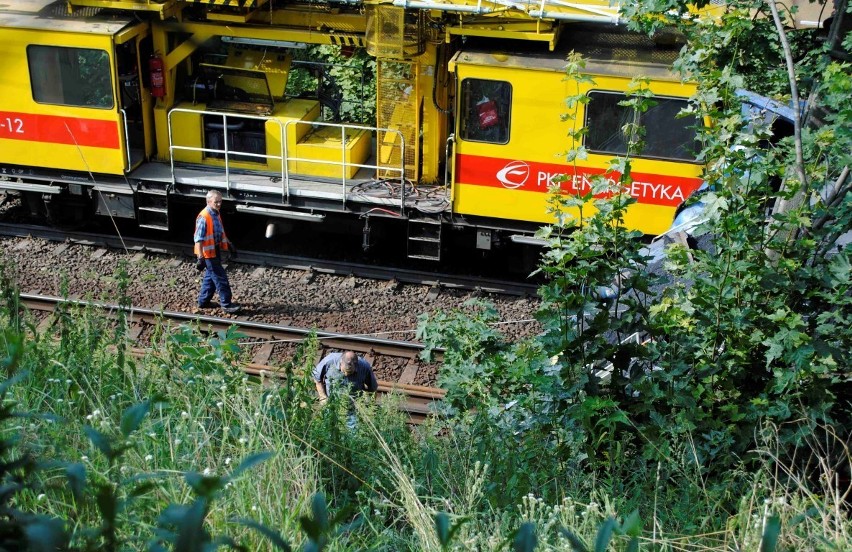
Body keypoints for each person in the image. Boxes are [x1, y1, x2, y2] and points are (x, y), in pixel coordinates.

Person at [194, 190, 240, 314]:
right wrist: (200, 257)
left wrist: (229, 244)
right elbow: (198, 239)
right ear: (208, 202)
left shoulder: (215, 213)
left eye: (220, 201)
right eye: (216, 202)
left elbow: (220, 231)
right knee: (221, 279)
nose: (219, 204)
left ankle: (203, 301)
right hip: (208, 254)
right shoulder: (204, 217)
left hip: (214, 250)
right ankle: (226, 304)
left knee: (210, 277)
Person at [312, 350, 378, 404]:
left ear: (356, 366)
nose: (346, 374)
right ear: (341, 362)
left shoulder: (364, 367)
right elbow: (316, 378)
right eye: (343, 371)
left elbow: (373, 388)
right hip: (331, 403)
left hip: (353, 405)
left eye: (350, 373)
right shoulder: (329, 361)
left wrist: (368, 404)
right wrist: (323, 397)